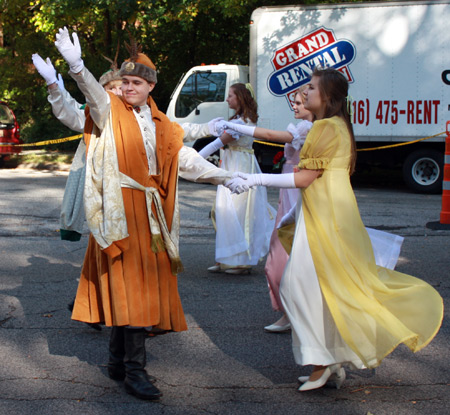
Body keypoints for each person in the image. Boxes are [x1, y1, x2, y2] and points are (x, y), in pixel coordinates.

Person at [226, 67, 443, 392]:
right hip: (324, 216)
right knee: (311, 289)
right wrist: (292, 216)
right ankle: (327, 361)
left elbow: (305, 179)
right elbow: (315, 181)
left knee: (301, 288)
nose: (305, 93)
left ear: (327, 97)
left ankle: (325, 361)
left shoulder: (326, 128)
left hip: (327, 221)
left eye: (312, 88)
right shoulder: (330, 126)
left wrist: (254, 179)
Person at [52, 27, 236, 401]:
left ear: (151, 87)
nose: (130, 87)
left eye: (137, 82)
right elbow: (89, 97)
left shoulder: (162, 125)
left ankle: (119, 361)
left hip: (151, 216)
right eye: (126, 82)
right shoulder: (110, 110)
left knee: (136, 287)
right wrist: (75, 66)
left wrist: (227, 176)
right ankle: (135, 371)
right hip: (121, 211)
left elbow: (183, 159)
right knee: (130, 287)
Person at [221, 88, 404, 333]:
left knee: (294, 262)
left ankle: (305, 318)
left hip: (302, 195)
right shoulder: (316, 128)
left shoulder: (314, 130)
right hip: (292, 196)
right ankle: (294, 314)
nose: (295, 106)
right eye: (295, 102)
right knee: (282, 261)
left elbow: (275, 140)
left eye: (301, 101)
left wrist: (253, 171)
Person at [197, 83, 276, 275]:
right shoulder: (238, 120)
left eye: (230, 95)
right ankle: (226, 258)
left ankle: (241, 261)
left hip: (240, 166)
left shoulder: (241, 124)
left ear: (240, 98)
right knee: (224, 212)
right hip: (232, 162)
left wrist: (194, 160)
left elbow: (217, 143)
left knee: (239, 212)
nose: (227, 99)